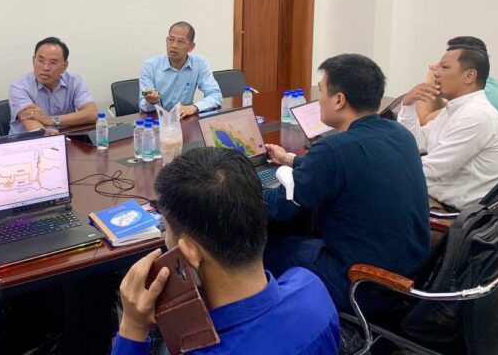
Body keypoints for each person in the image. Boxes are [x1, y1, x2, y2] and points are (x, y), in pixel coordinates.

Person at [112, 147, 339, 355]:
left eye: (167, 229)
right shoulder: (312, 289)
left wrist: (133, 327)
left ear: (189, 251)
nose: (165, 238)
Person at [263, 54, 430, 314]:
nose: (319, 100)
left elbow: (279, 207)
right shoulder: (400, 134)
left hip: (362, 283)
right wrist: (292, 160)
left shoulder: (333, 149)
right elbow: (353, 167)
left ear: (339, 100)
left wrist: (243, 186)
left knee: (263, 250)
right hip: (410, 273)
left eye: (321, 91)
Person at [398, 38, 498, 210]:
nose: (436, 73)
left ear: (469, 76)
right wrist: (408, 105)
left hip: (456, 211)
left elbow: (433, 170)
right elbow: (417, 144)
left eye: (444, 67)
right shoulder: (457, 108)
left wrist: (384, 171)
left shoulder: (475, 115)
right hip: (445, 194)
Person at [415, 36, 498, 193]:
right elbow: (440, 121)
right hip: (496, 179)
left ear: (470, 73)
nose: (437, 71)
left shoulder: (482, 103)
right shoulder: (485, 86)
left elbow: (423, 120)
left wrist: (429, 82)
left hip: (496, 188)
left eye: (445, 66)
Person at [8, 37, 98, 134]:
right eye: (40, 60)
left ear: (64, 66)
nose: (45, 68)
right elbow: (32, 122)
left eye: (53, 63)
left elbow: (92, 113)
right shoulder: (19, 87)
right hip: (29, 140)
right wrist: (47, 134)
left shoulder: (74, 81)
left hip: (67, 136)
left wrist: (50, 120)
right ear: (34, 60)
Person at [139, 22, 222, 118]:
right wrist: (151, 101)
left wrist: (194, 107)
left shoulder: (199, 63)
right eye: (171, 40)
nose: (174, 45)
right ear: (166, 41)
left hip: (184, 118)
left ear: (191, 47)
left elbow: (215, 95)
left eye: (181, 41)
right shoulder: (150, 66)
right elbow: (143, 106)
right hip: (157, 120)